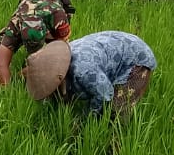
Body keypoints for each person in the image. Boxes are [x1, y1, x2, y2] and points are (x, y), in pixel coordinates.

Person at [24, 31, 156, 118]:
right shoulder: (59, 60)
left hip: (135, 57)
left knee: (116, 112)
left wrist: (86, 118)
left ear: (60, 76)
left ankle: (115, 150)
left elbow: (105, 94)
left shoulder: (85, 72)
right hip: (111, 49)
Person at [0, 0, 75, 86]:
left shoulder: (59, 19)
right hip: (27, 7)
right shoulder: (15, 25)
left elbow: (63, 56)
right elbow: (1, 65)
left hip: (51, 5)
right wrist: (7, 92)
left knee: (56, 59)